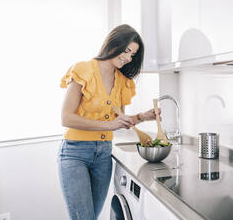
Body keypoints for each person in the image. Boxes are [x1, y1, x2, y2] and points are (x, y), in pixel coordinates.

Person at [58, 24, 159, 220]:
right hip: (75, 153)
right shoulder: (83, 70)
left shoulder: (122, 81)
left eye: (133, 55)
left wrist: (141, 117)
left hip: (103, 155)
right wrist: (109, 126)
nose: (129, 58)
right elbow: (66, 117)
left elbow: (118, 120)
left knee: (91, 217)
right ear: (114, 43)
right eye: (127, 50)